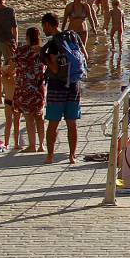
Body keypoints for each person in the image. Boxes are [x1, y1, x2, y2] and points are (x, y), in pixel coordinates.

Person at [40, 12, 84, 165]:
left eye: (43, 26)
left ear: (47, 25)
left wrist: (44, 59)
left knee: (53, 123)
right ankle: (72, 156)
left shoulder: (53, 44)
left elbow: (55, 69)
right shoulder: (72, 37)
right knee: (72, 123)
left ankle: (50, 156)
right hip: (75, 85)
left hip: (57, 87)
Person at [11, 27, 47, 153]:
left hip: (24, 87)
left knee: (28, 118)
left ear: (27, 37)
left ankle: (32, 145)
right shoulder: (42, 52)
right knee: (39, 117)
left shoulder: (20, 51)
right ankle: (41, 145)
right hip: (39, 87)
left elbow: (11, 67)